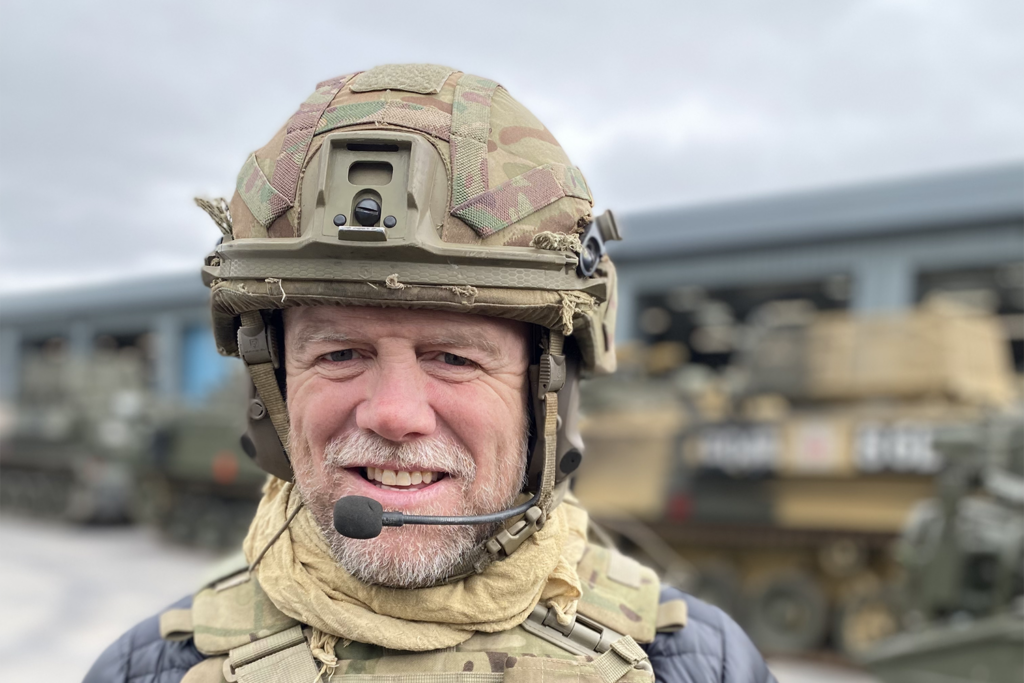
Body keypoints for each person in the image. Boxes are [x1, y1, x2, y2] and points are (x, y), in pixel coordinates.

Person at [85, 64, 774, 683]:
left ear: (548, 395)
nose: (393, 413)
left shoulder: (695, 665)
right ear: (274, 388)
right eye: (339, 353)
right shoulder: (154, 668)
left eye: (453, 356)